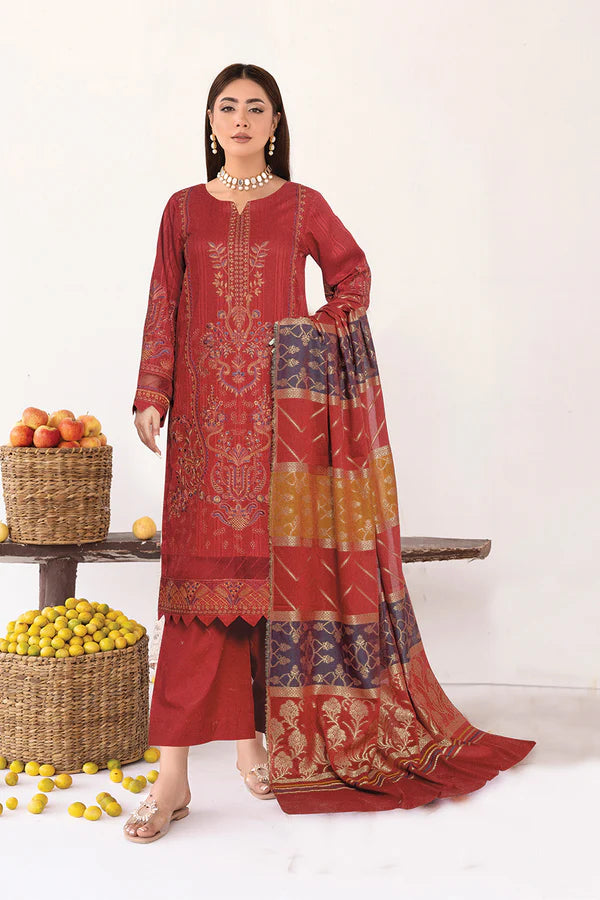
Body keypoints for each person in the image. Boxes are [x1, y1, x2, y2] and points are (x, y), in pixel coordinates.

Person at [125, 62, 535, 841]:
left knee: (266, 591)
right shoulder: (181, 211)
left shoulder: (303, 206)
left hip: (283, 431)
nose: (240, 119)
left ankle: (249, 749)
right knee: (195, 596)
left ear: (275, 123)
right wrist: (154, 392)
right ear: (209, 124)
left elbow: (353, 277)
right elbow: (162, 305)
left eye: (256, 108)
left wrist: (317, 334)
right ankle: (172, 779)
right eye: (227, 107)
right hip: (205, 438)